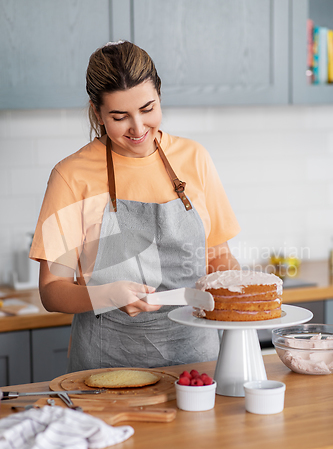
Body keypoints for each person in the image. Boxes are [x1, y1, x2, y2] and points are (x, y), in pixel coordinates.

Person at [30, 40, 241, 372]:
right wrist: (107, 295)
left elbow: (218, 255)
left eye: (148, 108)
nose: (139, 128)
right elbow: (52, 290)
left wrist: (235, 287)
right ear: (97, 112)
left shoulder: (194, 157)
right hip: (107, 369)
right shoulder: (71, 176)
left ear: (160, 95)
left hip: (198, 363)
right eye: (119, 116)